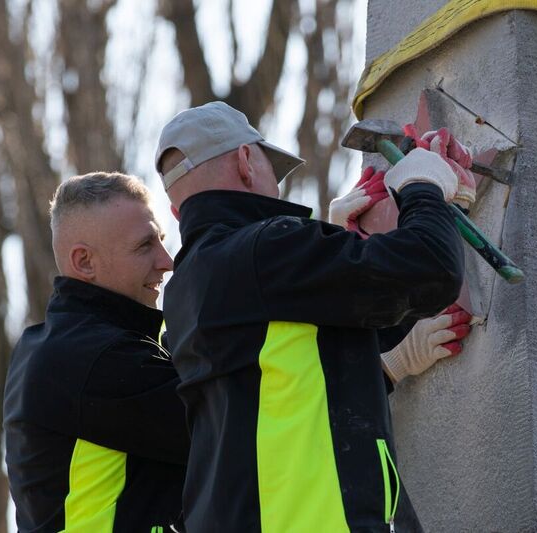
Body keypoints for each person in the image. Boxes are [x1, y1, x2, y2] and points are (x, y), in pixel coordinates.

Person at [155, 101, 470, 532]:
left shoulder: (185, 292)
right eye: (270, 167)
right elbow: (431, 268)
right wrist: (422, 186)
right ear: (247, 162)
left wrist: (366, 253)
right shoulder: (265, 250)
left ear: (177, 212)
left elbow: (319, 355)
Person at [3, 172, 188, 532]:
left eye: (162, 241)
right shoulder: (95, 359)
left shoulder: (53, 345)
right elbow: (229, 421)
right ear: (84, 261)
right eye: (145, 245)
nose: (167, 261)